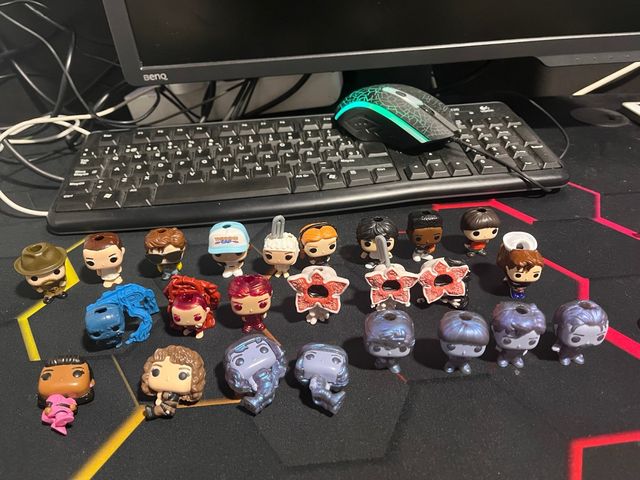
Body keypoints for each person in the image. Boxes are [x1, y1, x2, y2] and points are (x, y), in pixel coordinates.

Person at [140, 345, 206, 420]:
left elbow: (168, 399)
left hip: (168, 409)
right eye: (156, 371)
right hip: (165, 406)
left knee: (164, 408)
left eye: (182, 375)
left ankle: (154, 412)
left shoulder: (173, 396)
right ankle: (154, 412)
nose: (167, 378)